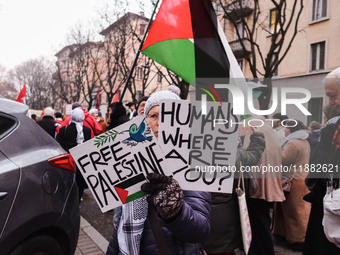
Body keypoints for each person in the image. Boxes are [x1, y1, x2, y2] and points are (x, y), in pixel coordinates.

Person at [106, 89, 211, 255]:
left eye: (167, 115)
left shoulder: (193, 163)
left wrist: (175, 209)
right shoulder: (130, 162)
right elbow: (119, 225)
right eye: (153, 116)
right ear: (145, 121)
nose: (160, 122)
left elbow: (201, 230)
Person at [202, 131, 266, 255]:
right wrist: (257, 136)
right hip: (223, 212)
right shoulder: (228, 151)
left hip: (201, 208)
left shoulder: (194, 148)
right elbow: (253, 156)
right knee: (222, 249)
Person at [303, 67, 340, 255]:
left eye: (333, 96)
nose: (332, 103)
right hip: (328, 211)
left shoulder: (330, 129)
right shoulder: (331, 129)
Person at [242, 115, 285, 255]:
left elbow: (249, 158)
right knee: (263, 220)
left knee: (257, 224)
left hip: (256, 185)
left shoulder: (254, 132)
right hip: (269, 182)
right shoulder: (271, 134)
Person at [272, 120, 311, 246]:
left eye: (287, 127)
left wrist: (275, 151)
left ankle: (298, 239)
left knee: (295, 212)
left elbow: (283, 159)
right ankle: (287, 235)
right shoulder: (304, 141)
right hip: (302, 178)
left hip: (293, 180)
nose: (285, 129)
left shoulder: (293, 143)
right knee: (298, 210)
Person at [56, 108, 91, 202]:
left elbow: (58, 144)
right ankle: (78, 200)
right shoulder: (87, 130)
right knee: (79, 182)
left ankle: (68, 201)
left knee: (68, 182)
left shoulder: (64, 129)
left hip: (68, 160)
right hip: (81, 160)